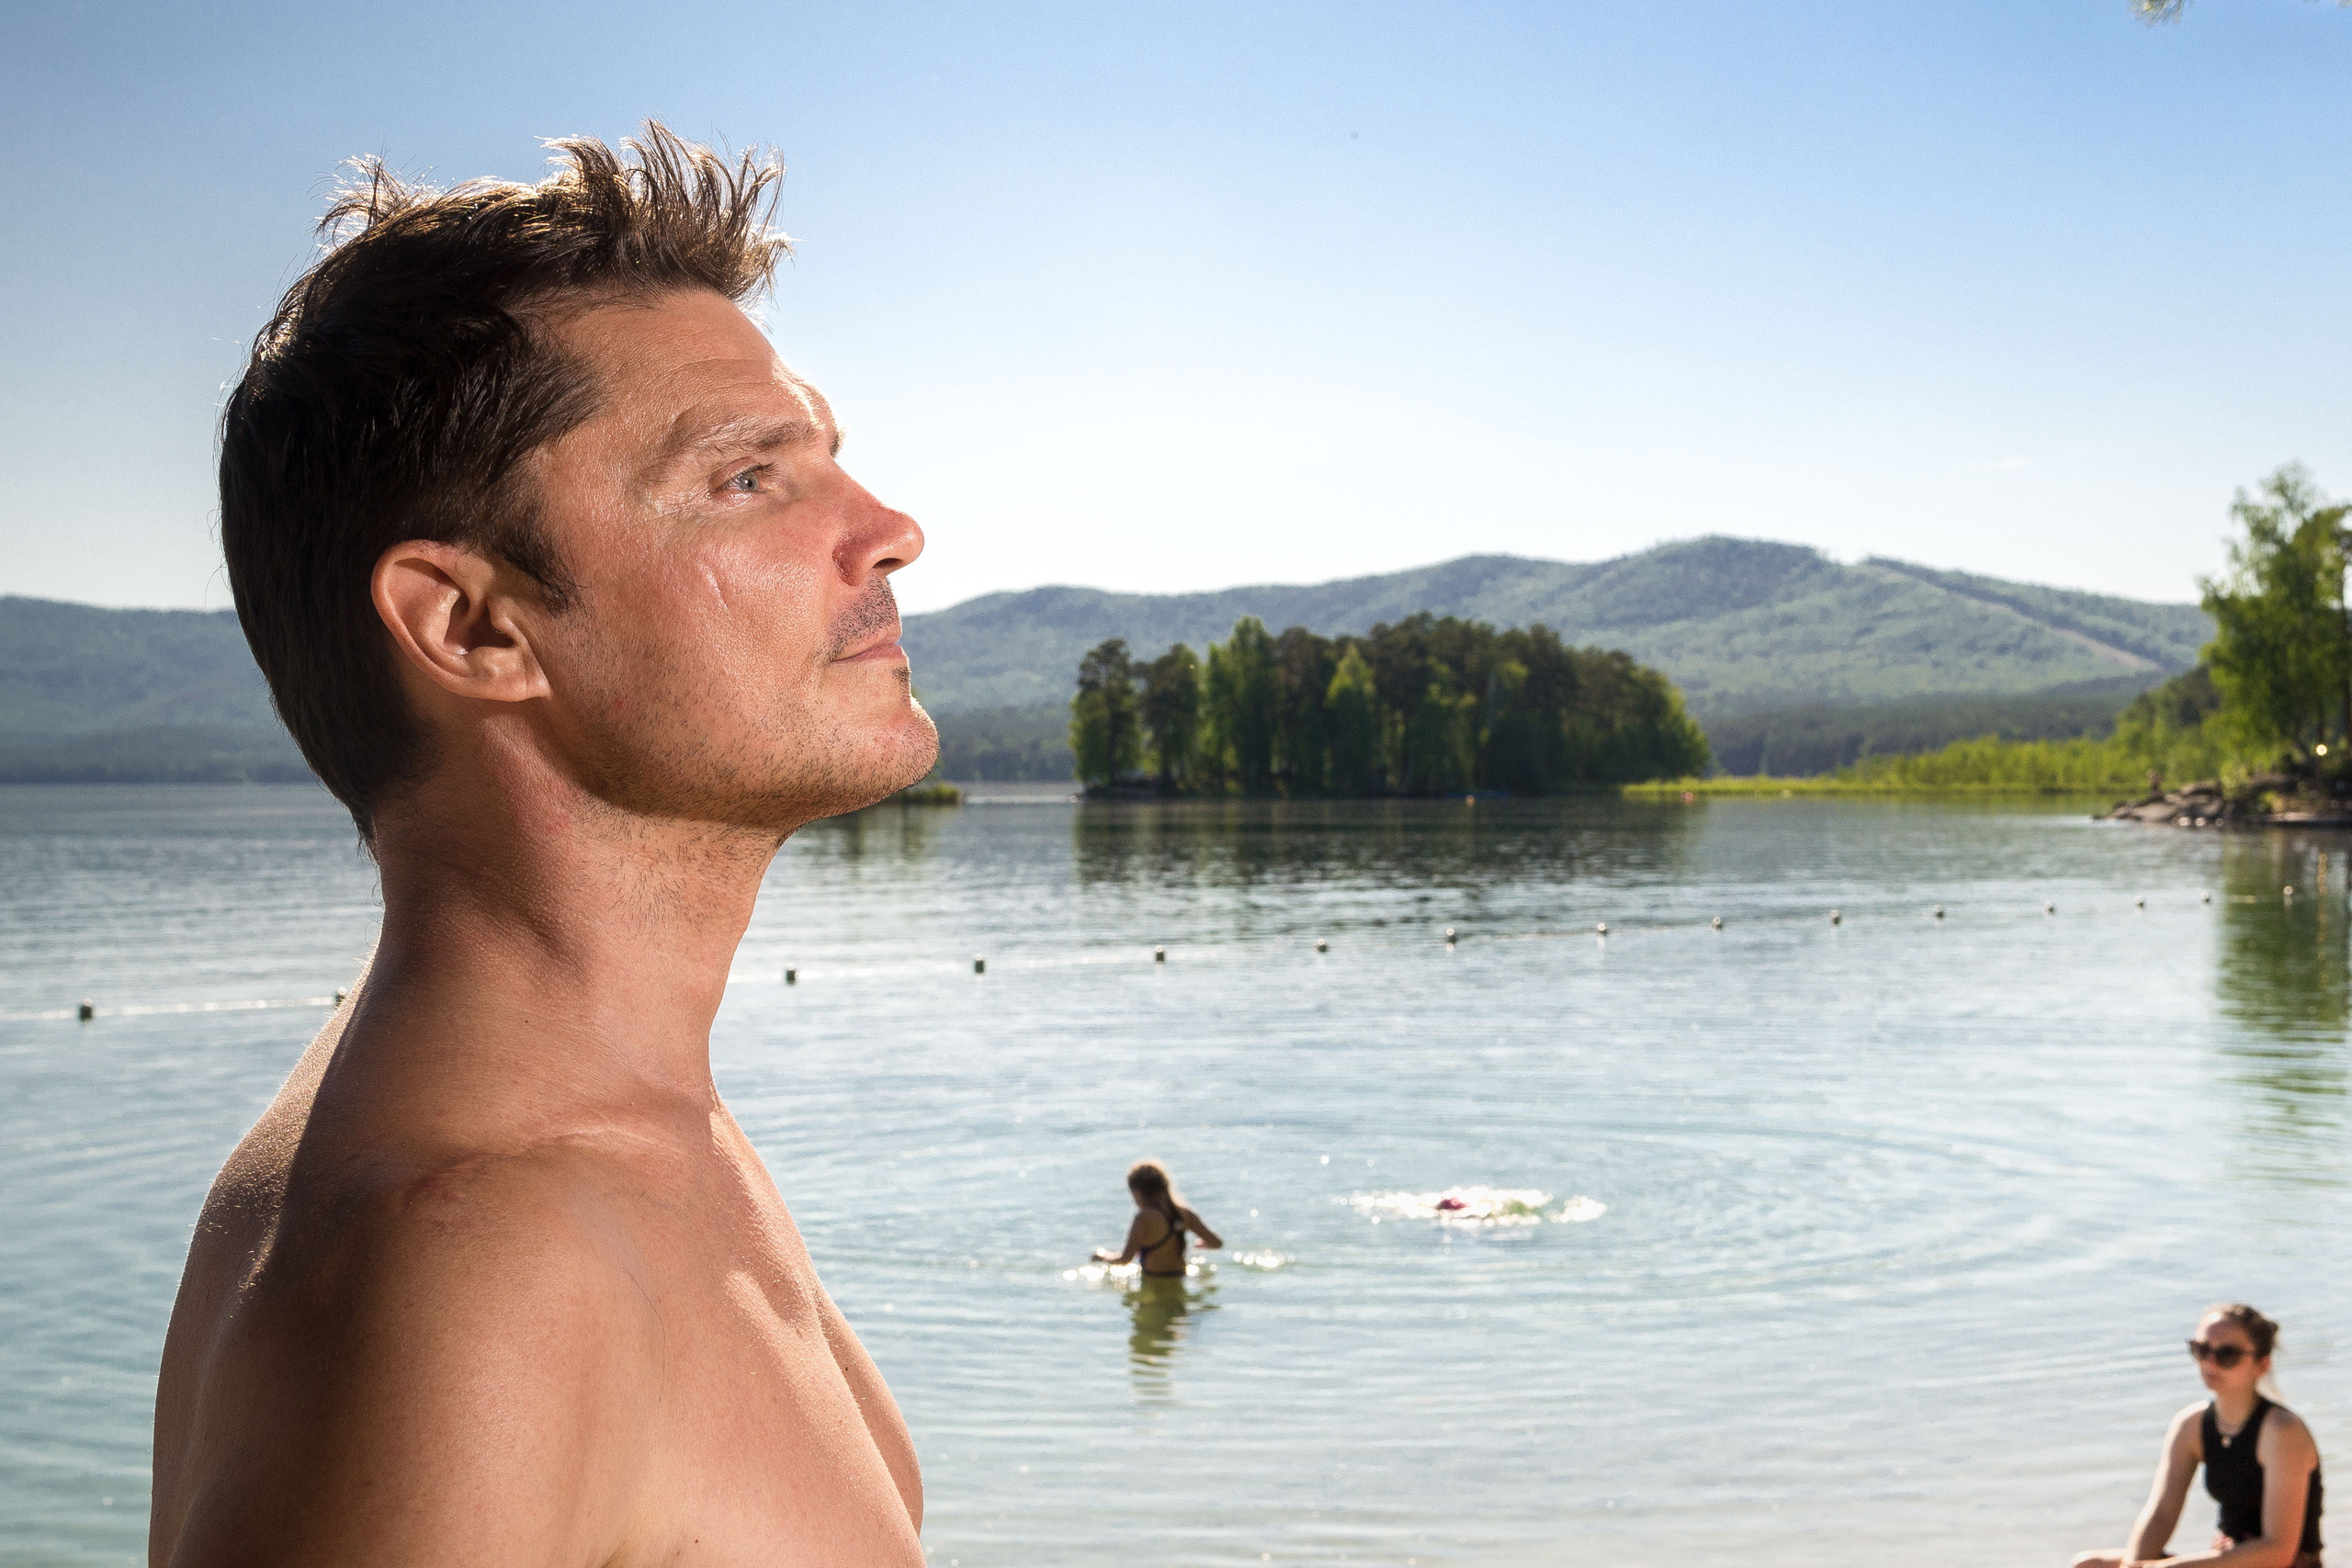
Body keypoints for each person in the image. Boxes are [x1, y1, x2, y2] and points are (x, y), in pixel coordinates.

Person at [149, 126, 936, 1565]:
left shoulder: (632, 1125)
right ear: (474, 626)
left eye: (830, 458)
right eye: (749, 479)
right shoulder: (478, 1269)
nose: (889, 530)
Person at [2072, 1304, 2324, 1568]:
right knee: (2088, 1564)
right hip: (2226, 1558)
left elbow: (2278, 1551)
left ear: (2262, 1365)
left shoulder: (2281, 1431)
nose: (2210, 1362)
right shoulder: (2191, 1425)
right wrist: (2134, 1565)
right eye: (2201, 1349)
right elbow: (2161, 1515)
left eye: (2227, 1354)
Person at [1092, 1159, 1223, 1277]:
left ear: (1137, 1192)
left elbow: (1125, 1259)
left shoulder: (1143, 1218)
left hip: (1154, 1282)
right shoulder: (1185, 1213)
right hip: (1179, 1277)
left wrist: (1103, 1256)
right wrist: (1203, 1243)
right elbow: (1217, 1243)